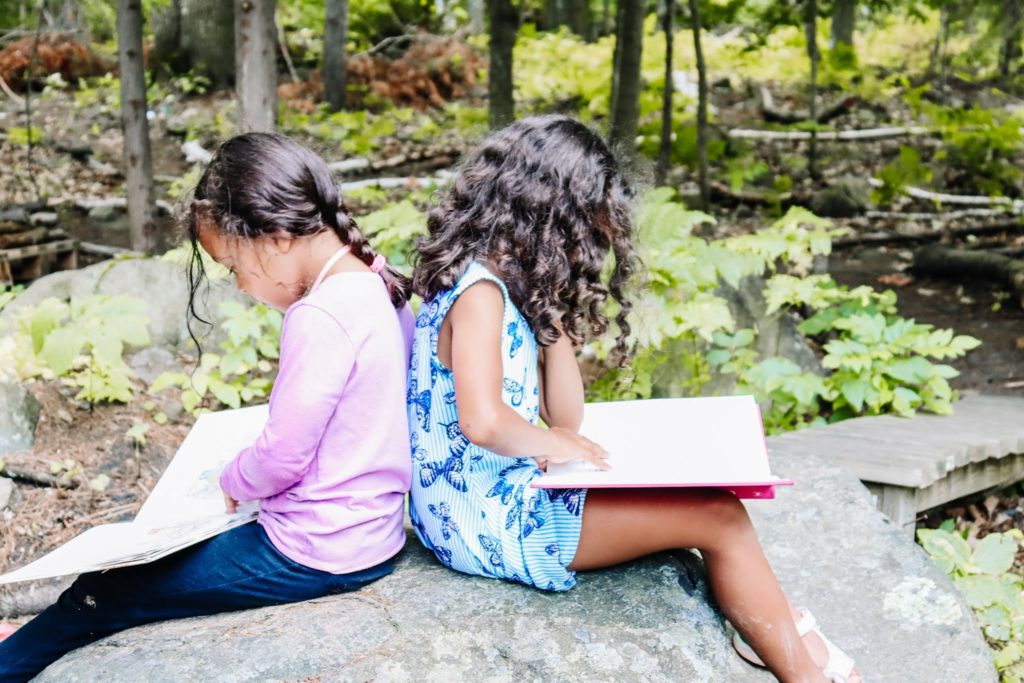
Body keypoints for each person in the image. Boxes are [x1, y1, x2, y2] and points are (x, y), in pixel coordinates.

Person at [406, 115, 861, 683]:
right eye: (584, 233)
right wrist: (552, 441)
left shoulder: (503, 289)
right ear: (548, 216)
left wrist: (551, 324)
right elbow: (482, 421)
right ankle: (806, 674)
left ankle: (776, 625)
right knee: (721, 517)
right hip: (491, 521)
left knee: (695, 494)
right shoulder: (478, 296)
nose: (589, 250)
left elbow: (566, 414)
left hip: (498, 497)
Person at [0, 133, 414, 682]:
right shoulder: (374, 283)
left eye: (233, 266)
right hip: (369, 533)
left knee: (104, 589)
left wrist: (234, 477)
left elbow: (284, 457)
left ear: (275, 238)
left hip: (314, 549)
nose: (240, 286)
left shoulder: (320, 315)